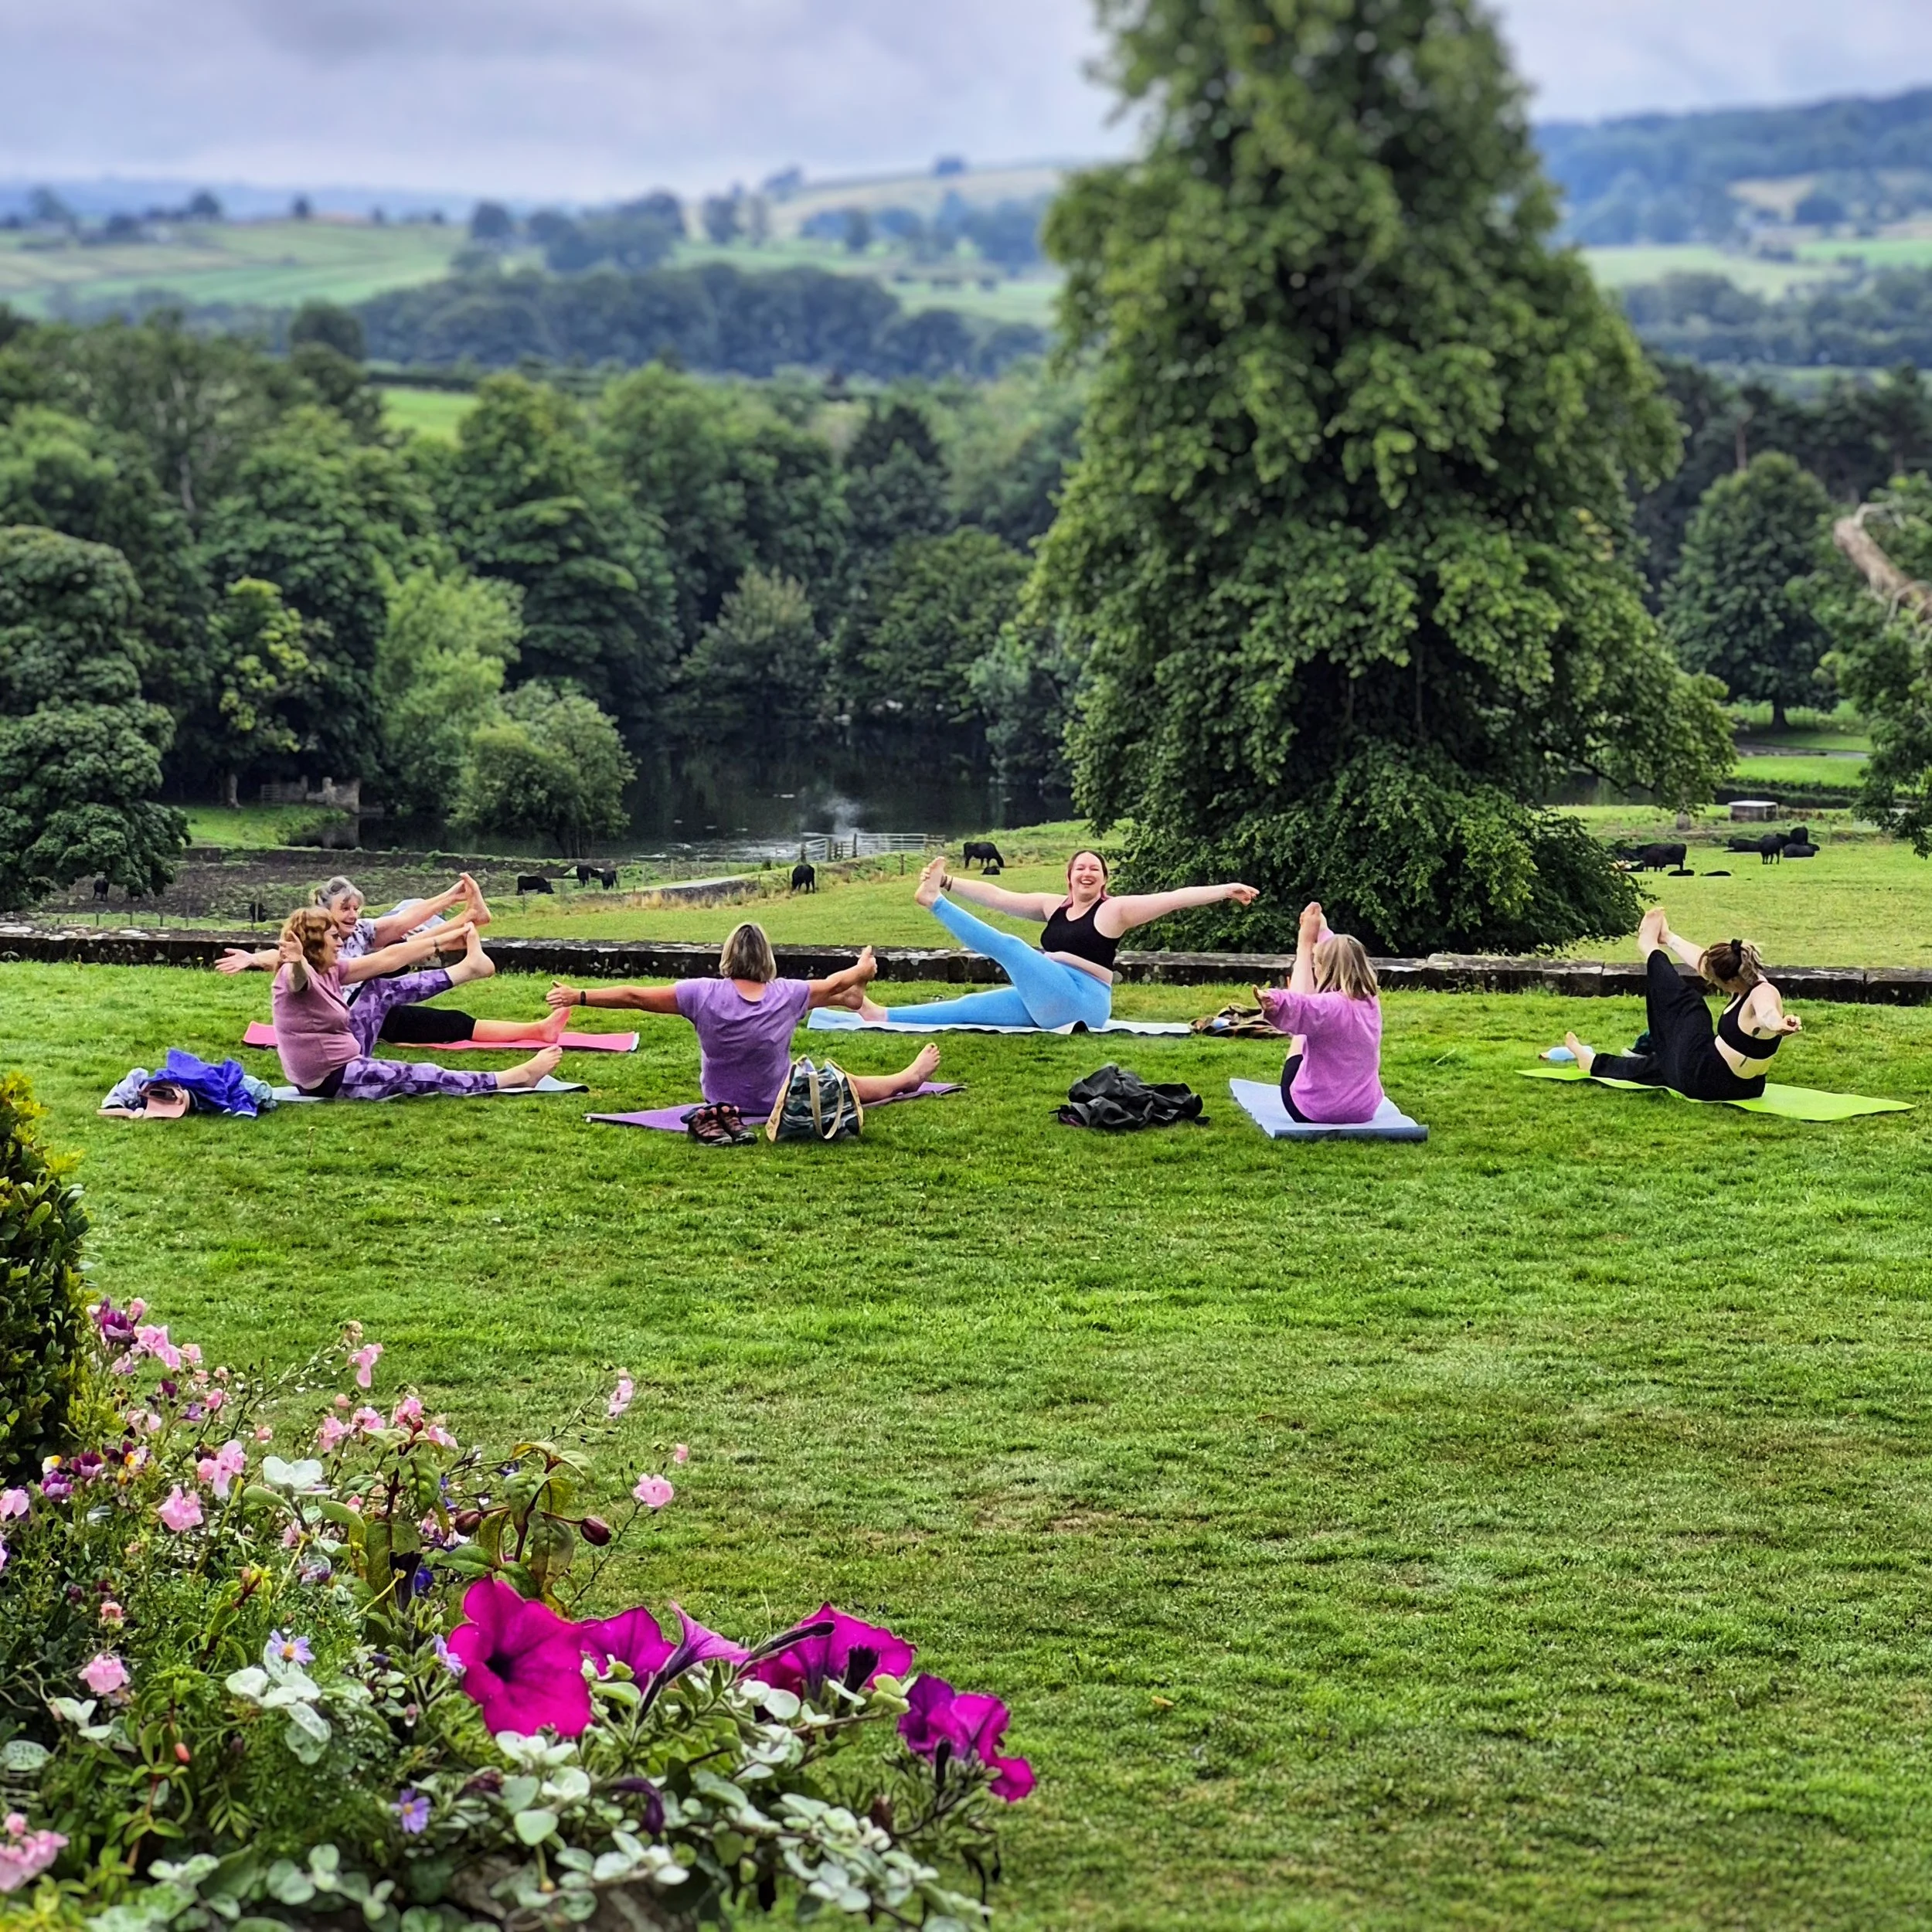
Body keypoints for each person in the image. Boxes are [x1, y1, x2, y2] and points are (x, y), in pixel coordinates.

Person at [546, 923, 939, 1117]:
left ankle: (852, 998)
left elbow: (634, 996)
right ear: (768, 958)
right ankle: (907, 1079)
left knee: (821, 997)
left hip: (721, 1101)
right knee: (841, 1083)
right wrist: (862, 970)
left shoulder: (699, 993)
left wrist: (578, 996)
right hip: (778, 1100)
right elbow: (833, 980)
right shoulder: (787, 993)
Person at [873, 851, 1259, 1030]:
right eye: (1081, 868)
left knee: (1011, 947)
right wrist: (949, 880)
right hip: (1050, 997)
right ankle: (883, 1016)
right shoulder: (1052, 905)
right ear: (1069, 877)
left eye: (1095, 869)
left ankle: (933, 904)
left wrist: (1226, 889)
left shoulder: (1114, 911)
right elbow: (997, 897)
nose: (1087, 873)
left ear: (1104, 880)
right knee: (970, 1006)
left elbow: (1172, 899)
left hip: (1084, 1001)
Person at [221, 872, 565, 1049]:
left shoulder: (360, 932)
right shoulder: (313, 940)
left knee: (400, 937)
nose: (353, 915)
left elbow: (404, 921)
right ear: (325, 910)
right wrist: (251, 958)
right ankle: (531, 1024)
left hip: (373, 997)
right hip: (352, 1017)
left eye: (357, 908)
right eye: (346, 909)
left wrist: (451, 895)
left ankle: (467, 931)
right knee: (448, 1021)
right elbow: (284, 957)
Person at [272, 909, 562, 1100]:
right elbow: (298, 980)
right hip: (330, 1079)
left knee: (378, 989)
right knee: (422, 1074)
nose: (340, 943)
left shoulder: (331, 969)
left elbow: (389, 958)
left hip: (350, 1056)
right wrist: (296, 961)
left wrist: (448, 937)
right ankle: (513, 1077)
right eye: (334, 937)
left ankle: (468, 968)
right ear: (314, 942)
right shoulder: (295, 974)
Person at [1563, 909, 1800, 1102]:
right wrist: (1669, 938)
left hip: (1707, 1080)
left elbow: (1767, 1013)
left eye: (1715, 980)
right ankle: (1593, 1062)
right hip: (1742, 1087)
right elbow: (1703, 962)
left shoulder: (1763, 992)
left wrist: (1779, 1023)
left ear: (1730, 980)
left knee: (1691, 1006)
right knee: (1663, 1064)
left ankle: (1649, 949)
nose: (1712, 982)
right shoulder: (1746, 980)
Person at [1253, 901, 1384, 1124]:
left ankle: (1304, 947)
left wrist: (1274, 998)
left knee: (1301, 1035)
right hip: (1362, 1110)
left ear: (1326, 968)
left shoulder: (1329, 1006)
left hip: (1313, 1110)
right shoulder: (1371, 1000)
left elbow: (1300, 1005)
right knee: (1314, 1023)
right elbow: (1340, 952)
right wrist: (1321, 928)